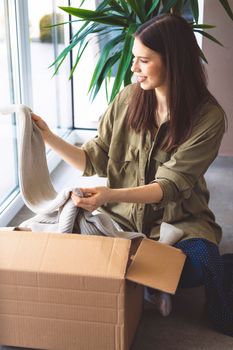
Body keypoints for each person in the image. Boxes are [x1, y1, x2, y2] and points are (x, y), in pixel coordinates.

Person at [32, 14, 233, 335]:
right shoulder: (128, 98)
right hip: (120, 223)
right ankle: (148, 284)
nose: (132, 69)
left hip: (177, 224)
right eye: (134, 59)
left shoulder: (209, 118)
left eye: (143, 61)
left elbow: (167, 187)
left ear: (174, 62)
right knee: (63, 248)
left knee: (201, 260)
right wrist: (47, 137)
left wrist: (109, 195)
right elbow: (91, 159)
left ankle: (149, 281)